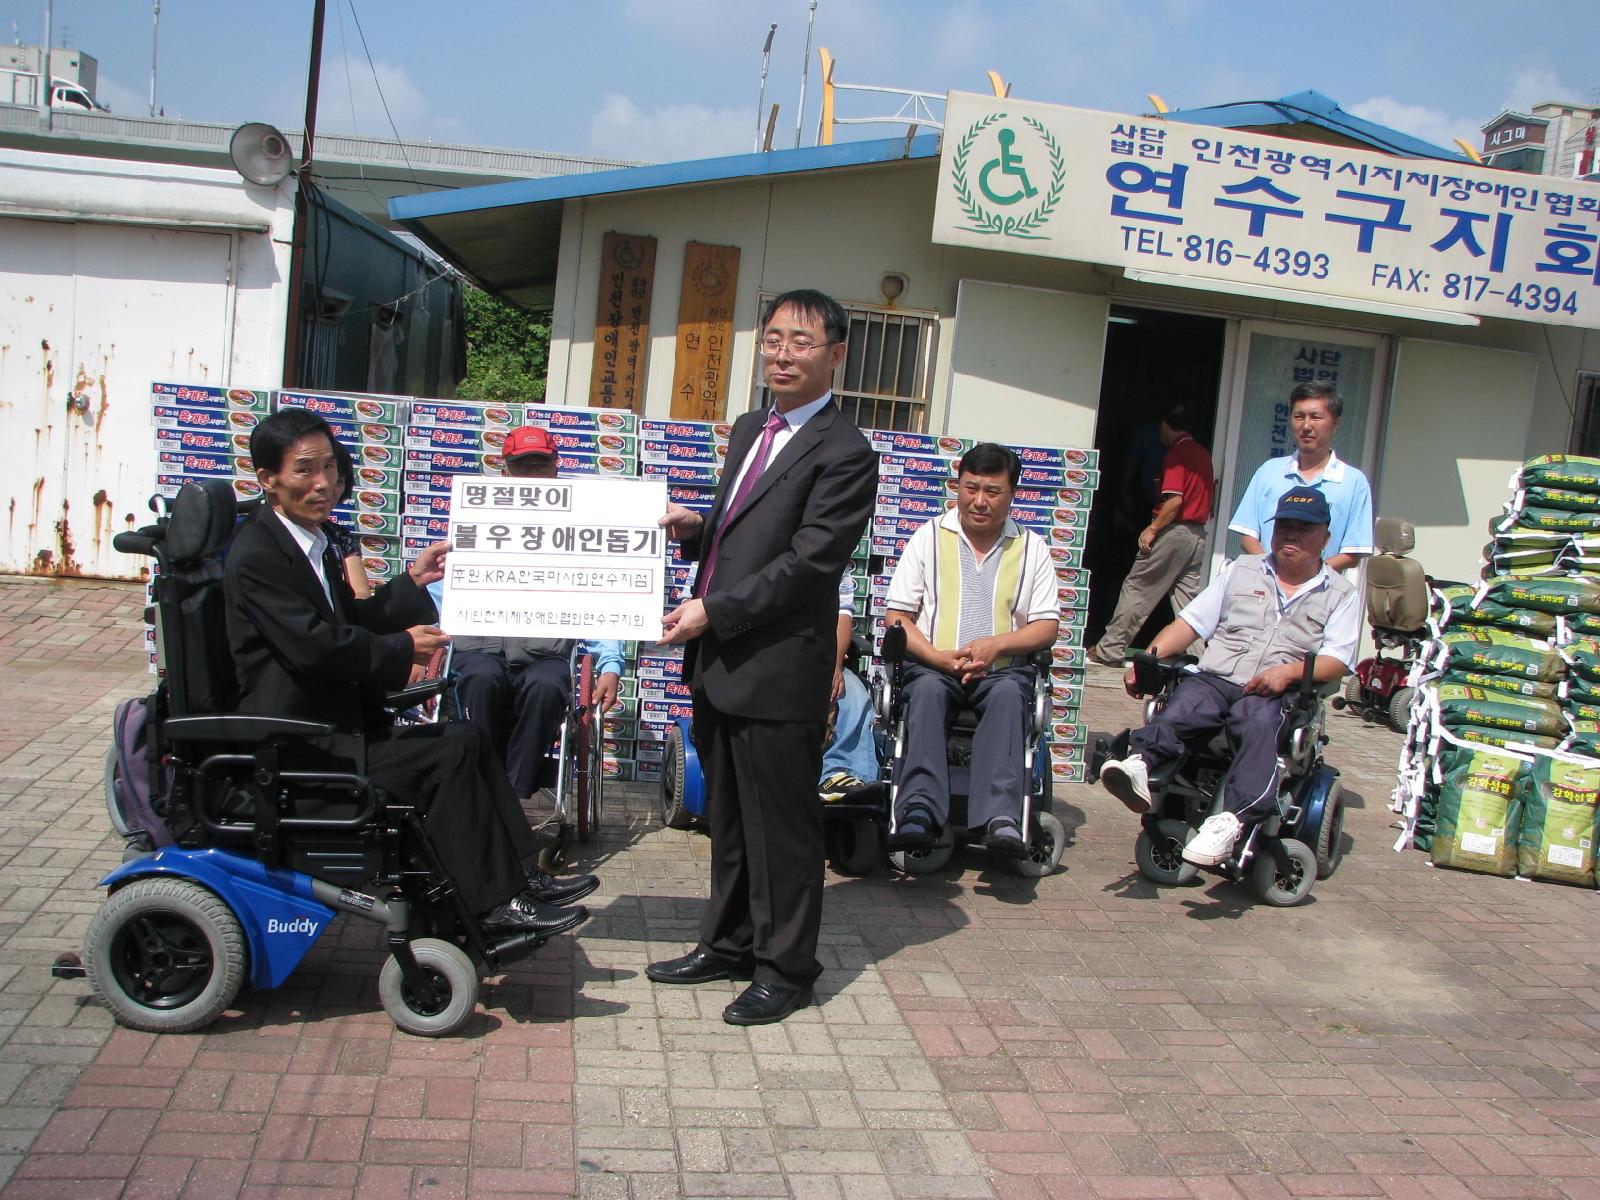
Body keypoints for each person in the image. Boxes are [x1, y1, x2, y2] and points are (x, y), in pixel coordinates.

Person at [223, 409, 591, 942]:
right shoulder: (259, 555)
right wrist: (402, 649)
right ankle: (493, 905)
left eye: (330, 467)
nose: (324, 483)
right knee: (449, 753)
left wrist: (414, 581)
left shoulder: (315, 542)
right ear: (268, 480)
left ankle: (520, 879)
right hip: (301, 744)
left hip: (338, 729)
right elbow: (316, 648)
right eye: (305, 470)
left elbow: (351, 620)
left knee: (466, 738)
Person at [648, 289, 877, 1026]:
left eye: (801, 342)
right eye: (773, 339)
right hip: (720, 661)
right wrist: (695, 528)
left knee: (782, 827)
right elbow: (742, 528)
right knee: (731, 818)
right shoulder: (753, 426)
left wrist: (714, 608)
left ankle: (786, 968)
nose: (782, 354)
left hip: (779, 666)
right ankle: (729, 941)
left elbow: (809, 564)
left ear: (835, 353)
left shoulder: (847, 453)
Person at [1099, 486, 1360, 868]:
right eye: (1284, 525)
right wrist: (1147, 660)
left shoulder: (1340, 594)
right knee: (1186, 701)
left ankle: (1230, 821)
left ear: (1325, 535)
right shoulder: (1241, 570)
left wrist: (1285, 674)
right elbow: (1190, 623)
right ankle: (1139, 764)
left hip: (1275, 692)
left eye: (1303, 528)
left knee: (1255, 720)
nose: (1291, 534)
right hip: (1218, 677)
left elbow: (1336, 660)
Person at [881, 443, 1059, 856]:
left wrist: (997, 645)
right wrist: (937, 657)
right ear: (957, 486)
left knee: (1009, 696)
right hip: (933, 666)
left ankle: (1000, 819)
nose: (979, 501)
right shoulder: (929, 537)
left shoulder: (1032, 548)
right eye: (970, 488)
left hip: (1001, 671)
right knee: (923, 693)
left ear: (1012, 494)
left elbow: (1047, 626)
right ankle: (918, 810)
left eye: (992, 492)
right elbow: (897, 618)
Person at [449, 426, 623, 843]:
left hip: (542, 655)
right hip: (480, 650)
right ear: (505, 472)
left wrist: (611, 666)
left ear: (554, 469)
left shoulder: (578, 530)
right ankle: (478, 790)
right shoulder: (475, 520)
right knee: (478, 677)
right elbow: (445, 593)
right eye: (520, 466)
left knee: (549, 685)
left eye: (539, 465)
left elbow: (597, 601)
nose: (530, 473)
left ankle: (509, 799)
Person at [1087, 405, 1215, 667]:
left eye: (1161, 428)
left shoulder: (1178, 453)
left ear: (1167, 426)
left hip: (1174, 531)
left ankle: (1110, 649)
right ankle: (1205, 661)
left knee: (1138, 588)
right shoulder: (1203, 454)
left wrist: (1153, 528)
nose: (1159, 433)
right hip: (1197, 535)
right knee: (1188, 603)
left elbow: (1174, 501)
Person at [1228, 382, 1374, 571]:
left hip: (1321, 592)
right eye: (1299, 416)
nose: (1306, 426)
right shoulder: (1269, 471)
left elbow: (1353, 553)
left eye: (1316, 417)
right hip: (1267, 584)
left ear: (1336, 423)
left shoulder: (1354, 482)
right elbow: (1248, 535)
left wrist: (1307, 577)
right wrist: (1274, 572)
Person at [820, 571, 879, 799]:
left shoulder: (832, 557)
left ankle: (839, 774)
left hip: (818, 655)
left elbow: (842, 616)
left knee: (853, 693)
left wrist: (833, 665)